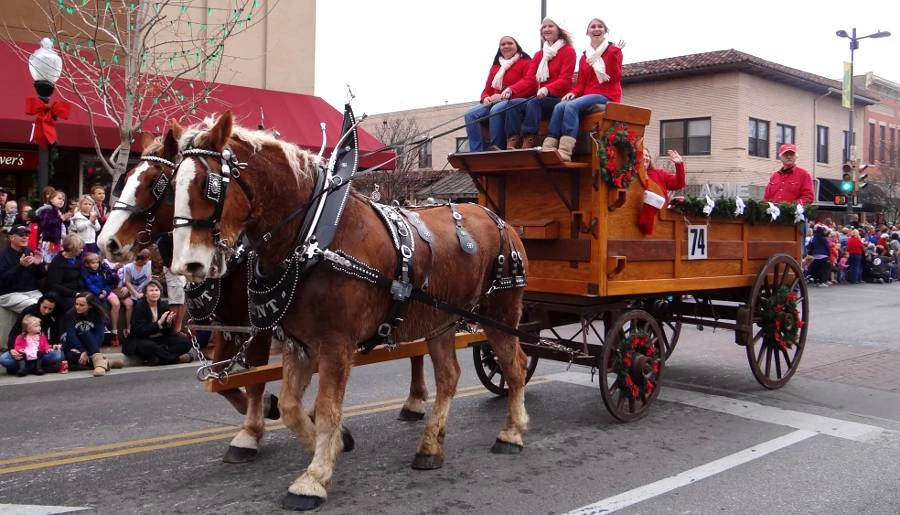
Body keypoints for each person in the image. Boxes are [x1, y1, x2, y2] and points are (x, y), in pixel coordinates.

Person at [543, 18, 622, 161]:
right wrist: (572, 92)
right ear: (588, 32)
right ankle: (548, 147)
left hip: (607, 94)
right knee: (560, 106)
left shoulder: (613, 50)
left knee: (572, 106)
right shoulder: (585, 57)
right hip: (588, 94)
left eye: (600, 27)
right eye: (592, 27)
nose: (596, 29)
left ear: (605, 31)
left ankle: (565, 151)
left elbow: (615, 78)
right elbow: (581, 84)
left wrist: (614, 56)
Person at [501, 17, 576, 150]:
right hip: (541, 97)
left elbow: (565, 79)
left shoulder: (568, 51)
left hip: (558, 99)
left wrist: (547, 88)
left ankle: (530, 139)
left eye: (550, 26)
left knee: (533, 102)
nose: (546, 29)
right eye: (544, 27)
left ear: (559, 30)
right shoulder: (538, 55)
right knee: (512, 104)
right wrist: (511, 89)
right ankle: (512, 141)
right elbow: (529, 79)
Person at [463, 36, 532, 152]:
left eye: (510, 43)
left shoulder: (526, 62)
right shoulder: (496, 67)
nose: (506, 46)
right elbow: (486, 90)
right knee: (470, 114)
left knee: (496, 109)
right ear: (499, 48)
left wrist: (508, 93)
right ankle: (476, 150)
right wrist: (485, 98)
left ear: (517, 46)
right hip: (494, 101)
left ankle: (496, 147)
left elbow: (530, 84)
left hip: (515, 101)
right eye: (503, 44)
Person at [124, 280, 191, 366]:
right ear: (146, 294)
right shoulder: (140, 307)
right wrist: (159, 323)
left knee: (185, 342)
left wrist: (168, 323)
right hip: (143, 339)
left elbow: (168, 332)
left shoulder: (164, 305)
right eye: (151, 291)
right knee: (147, 346)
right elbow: (140, 331)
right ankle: (175, 359)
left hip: (160, 339)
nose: (154, 293)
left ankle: (158, 358)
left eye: (156, 290)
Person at [0, 294, 64, 375]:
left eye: (50, 309)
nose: (46, 311)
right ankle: (35, 367)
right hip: (24, 349)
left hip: (38, 350)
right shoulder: (29, 311)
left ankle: (25, 368)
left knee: (56, 356)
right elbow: (14, 332)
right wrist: (12, 349)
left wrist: (55, 344)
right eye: (44, 307)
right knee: (3, 360)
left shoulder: (54, 314)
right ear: (40, 303)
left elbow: (55, 331)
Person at [62, 291, 114, 376]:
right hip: (76, 346)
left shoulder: (97, 315)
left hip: (91, 344)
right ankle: (105, 363)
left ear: (90, 306)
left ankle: (99, 363)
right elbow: (71, 335)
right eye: (76, 304)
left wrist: (87, 352)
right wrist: (83, 350)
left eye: (81, 305)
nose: (77, 307)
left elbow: (99, 336)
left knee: (85, 333)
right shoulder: (70, 314)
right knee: (71, 356)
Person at [637, 149, 686, 235]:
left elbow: (679, 183)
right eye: (642, 155)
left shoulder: (659, 174)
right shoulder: (630, 175)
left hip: (661, 224)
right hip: (634, 222)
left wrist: (679, 165)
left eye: (647, 155)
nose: (645, 157)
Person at [0, 225, 44, 313]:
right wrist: (20, 266)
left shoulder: (29, 252)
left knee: (49, 305)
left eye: (27, 235)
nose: (25, 237)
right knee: (36, 307)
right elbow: (3, 281)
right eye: (21, 235)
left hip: (32, 292)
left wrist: (38, 264)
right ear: (11, 237)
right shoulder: (3, 255)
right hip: (10, 294)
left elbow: (40, 276)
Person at [82, 252, 123, 346]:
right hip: (93, 294)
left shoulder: (101, 271)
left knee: (104, 305)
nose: (95, 265)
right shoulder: (86, 273)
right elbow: (89, 285)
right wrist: (98, 293)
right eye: (93, 263)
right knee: (97, 305)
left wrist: (105, 291)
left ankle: (104, 323)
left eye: (97, 262)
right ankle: (100, 324)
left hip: (103, 294)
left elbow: (108, 283)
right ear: (87, 264)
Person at [47, 235, 85, 314]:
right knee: (77, 305)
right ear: (72, 249)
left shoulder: (77, 259)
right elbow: (54, 285)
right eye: (80, 248)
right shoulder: (57, 262)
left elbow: (80, 277)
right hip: (64, 294)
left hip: (78, 291)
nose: (82, 250)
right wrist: (75, 294)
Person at [37, 189, 73, 265]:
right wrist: (61, 219)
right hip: (50, 241)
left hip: (58, 241)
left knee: (56, 262)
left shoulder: (58, 211)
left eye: (63, 200)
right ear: (51, 199)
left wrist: (67, 220)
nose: (62, 201)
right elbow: (46, 224)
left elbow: (63, 226)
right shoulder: (48, 210)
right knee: (48, 263)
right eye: (59, 198)